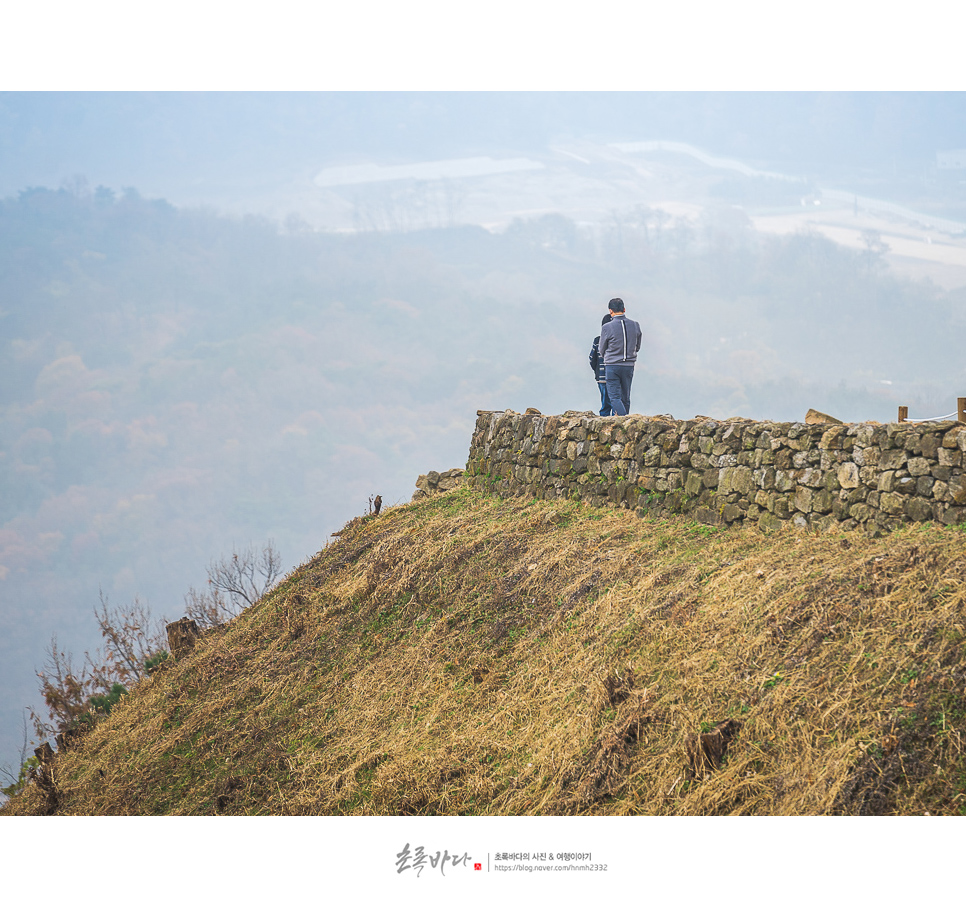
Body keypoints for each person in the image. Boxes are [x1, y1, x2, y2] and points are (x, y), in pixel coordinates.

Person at [597, 297, 642, 416]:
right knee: (625, 397)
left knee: (615, 397)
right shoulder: (635, 325)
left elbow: (601, 349)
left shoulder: (607, 327)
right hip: (629, 365)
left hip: (612, 365)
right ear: (624, 309)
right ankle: (626, 422)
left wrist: (607, 356)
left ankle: (624, 423)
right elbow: (638, 346)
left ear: (610, 311)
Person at [589, 314, 614, 416]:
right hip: (614, 376)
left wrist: (597, 371)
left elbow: (591, 359)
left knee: (605, 403)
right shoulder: (616, 341)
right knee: (615, 402)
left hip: (601, 377)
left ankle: (604, 420)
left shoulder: (597, 340)